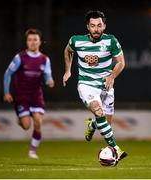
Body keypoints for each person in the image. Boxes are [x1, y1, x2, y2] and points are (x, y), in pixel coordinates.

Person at [63, 10, 127, 160]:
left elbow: (121, 62)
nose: (96, 29)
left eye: (99, 25)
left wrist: (112, 76)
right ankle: (115, 148)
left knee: (105, 123)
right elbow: (67, 51)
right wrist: (68, 71)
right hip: (86, 84)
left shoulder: (111, 41)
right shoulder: (76, 40)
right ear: (88, 27)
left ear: (104, 26)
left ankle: (91, 126)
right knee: (98, 111)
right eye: (93, 26)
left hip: (106, 85)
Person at [4, 28, 54, 159]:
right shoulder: (20, 58)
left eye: (35, 39)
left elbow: (48, 75)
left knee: (38, 122)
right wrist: (6, 92)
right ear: (26, 42)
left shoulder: (44, 59)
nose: (32, 42)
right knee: (26, 126)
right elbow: (8, 73)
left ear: (40, 42)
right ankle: (21, 119)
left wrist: (49, 80)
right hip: (21, 97)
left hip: (36, 96)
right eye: (30, 40)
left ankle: (32, 151)